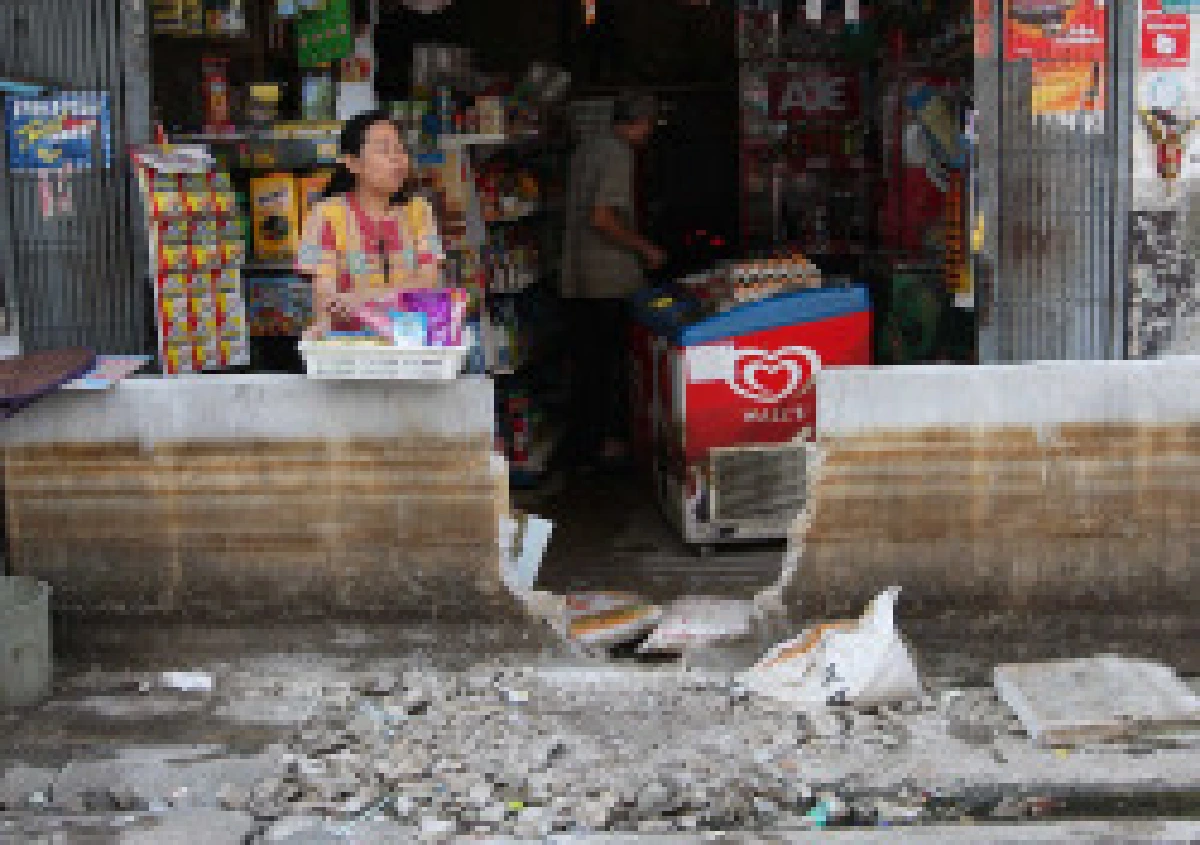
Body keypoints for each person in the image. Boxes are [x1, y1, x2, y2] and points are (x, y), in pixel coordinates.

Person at [561, 92, 667, 470]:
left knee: (588, 366)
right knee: (610, 367)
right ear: (641, 122)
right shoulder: (618, 153)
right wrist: (646, 249)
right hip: (609, 279)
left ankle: (584, 447)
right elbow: (602, 217)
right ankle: (603, 445)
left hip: (578, 277)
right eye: (650, 125)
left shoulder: (586, 149)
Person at [297, 110, 444, 339]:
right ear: (352, 163)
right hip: (351, 345)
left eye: (400, 149)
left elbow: (429, 282)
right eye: (384, 150)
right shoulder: (325, 214)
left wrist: (364, 298)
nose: (398, 158)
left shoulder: (420, 211)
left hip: (409, 344)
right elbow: (324, 292)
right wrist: (334, 310)